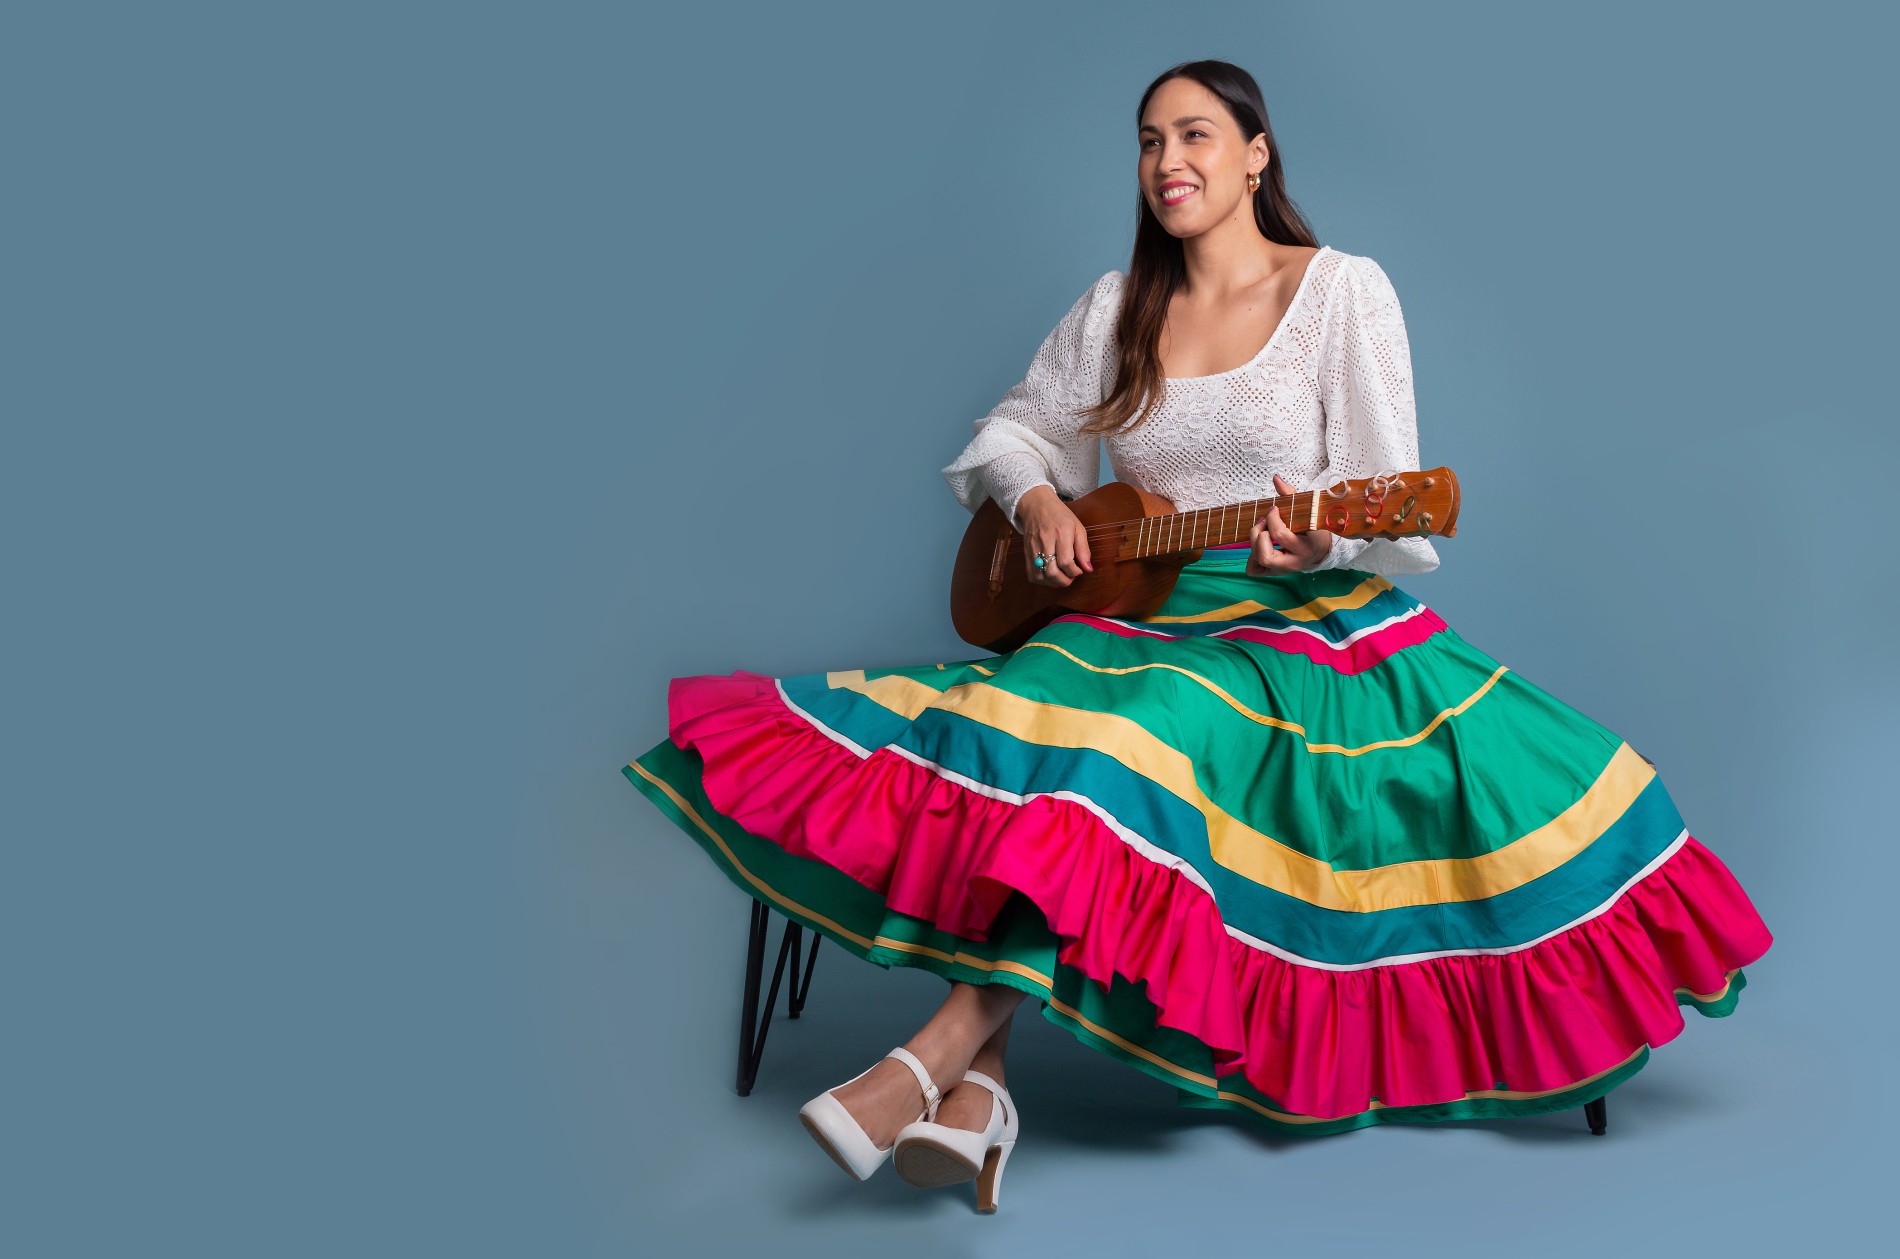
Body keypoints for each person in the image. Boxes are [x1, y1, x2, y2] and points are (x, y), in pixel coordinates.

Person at [622, 59, 1773, 1213]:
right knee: (1024, 733)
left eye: (1195, 135)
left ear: (1257, 152)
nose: (1166, 161)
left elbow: (1383, 490)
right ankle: (977, 1097)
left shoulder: (1338, 292)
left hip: (1299, 623)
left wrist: (1314, 545)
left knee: (1131, 741)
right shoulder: (1116, 304)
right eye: (1146, 140)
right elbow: (1015, 433)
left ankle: (940, 1059)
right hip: (1141, 610)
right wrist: (1038, 504)